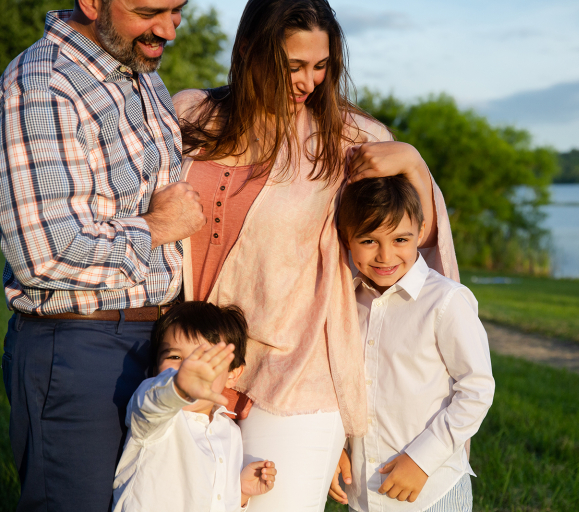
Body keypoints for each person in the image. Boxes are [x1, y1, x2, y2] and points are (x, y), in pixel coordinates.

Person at [172, 0, 459, 508]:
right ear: (249, 50)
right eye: (293, 66)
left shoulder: (349, 138)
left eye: (321, 66)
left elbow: (412, 241)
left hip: (297, 376)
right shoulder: (193, 114)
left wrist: (413, 164)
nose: (309, 82)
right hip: (191, 357)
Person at [0, 1, 206, 511]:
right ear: (93, 3)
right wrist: (159, 226)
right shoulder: (43, 83)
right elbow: (44, 253)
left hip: (152, 342)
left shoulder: (139, 72)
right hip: (78, 346)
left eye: (177, 10)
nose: (168, 30)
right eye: (150, 11)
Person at [330, 175, 495, 511]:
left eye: (400, 239)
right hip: (363, 493)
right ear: (347, 238)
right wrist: (335, 449)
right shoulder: (345, 302)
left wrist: (422, 460)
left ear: (420, 232)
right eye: (369, 240)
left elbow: (477, 389)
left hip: (433, 492)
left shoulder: (446, 301)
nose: (385, 255)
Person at [112, 301, 277, 512]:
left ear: (232, 374)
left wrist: (240, 492)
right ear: (155, 370)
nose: (189, 368)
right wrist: (178, 386)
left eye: (206, 360)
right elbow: (152, 401)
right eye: (175, 357)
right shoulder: (156, 417)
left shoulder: (230, 432)